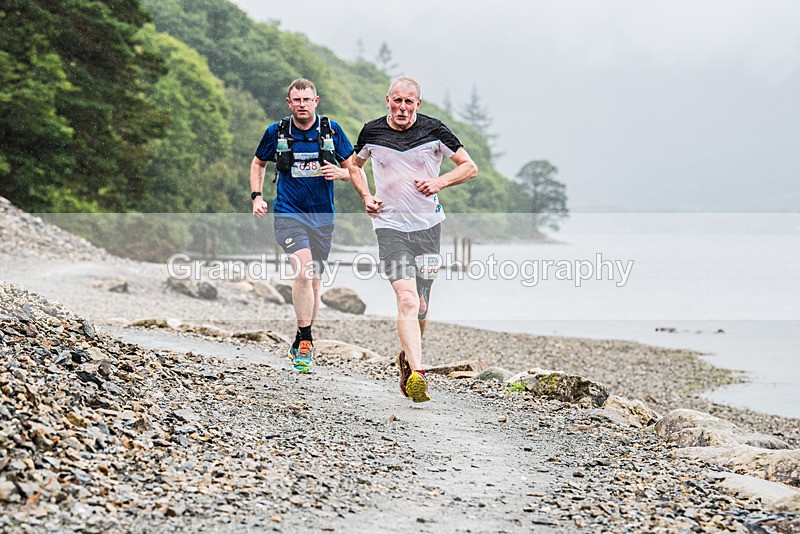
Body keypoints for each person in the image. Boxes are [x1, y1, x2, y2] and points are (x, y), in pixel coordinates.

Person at [348, 76, 478, 402]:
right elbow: (354, 165)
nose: (403, 107)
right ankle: (419, 374)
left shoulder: (435, 131)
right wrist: (365, 195)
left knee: (421, 305)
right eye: (397, 100)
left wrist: (441, 182)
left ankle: (407, 358)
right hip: (389, 227)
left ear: (418, 104)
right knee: (406, 299)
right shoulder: (372, 132)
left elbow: (469, 167)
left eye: (409, 102)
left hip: (428, 227)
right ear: (387, 100)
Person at [250, 78, 355, 373]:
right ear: (289, 103)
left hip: (323, 217)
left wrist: (341, 173)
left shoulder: (331, 131)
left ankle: (300, 335)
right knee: (304, 270)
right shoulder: (277, 132)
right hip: (288, 213)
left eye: (307, 100)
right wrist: (257, 196)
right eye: (296, 100)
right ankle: (307, 340)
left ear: (316, 101)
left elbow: (355, 169)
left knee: (315, 282)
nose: (302, 105)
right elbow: (259, 163)